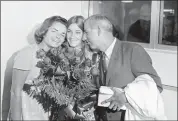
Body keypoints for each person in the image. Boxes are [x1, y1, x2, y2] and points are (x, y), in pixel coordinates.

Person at [83, 14, 165, 120]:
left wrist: (125, 96)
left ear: (98, 30)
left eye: (86, 32)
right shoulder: (99, 56)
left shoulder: (133, 51)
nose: (84, 38)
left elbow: (156, 86)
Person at [9, 15, 67, 120]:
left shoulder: (57, 58)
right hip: (27, 113)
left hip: (46, 114)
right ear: (44, 31)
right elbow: (15, 92)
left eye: (63, 34)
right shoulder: (27, 53)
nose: (58, 36)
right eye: (54, 31)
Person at [62, 15, 98, 120]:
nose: (72, 36)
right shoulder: (60, 53)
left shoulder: (94, 56)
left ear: (84, 35)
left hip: (88, 110)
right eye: (69, 31)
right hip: (63, 109)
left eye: (77, 32)